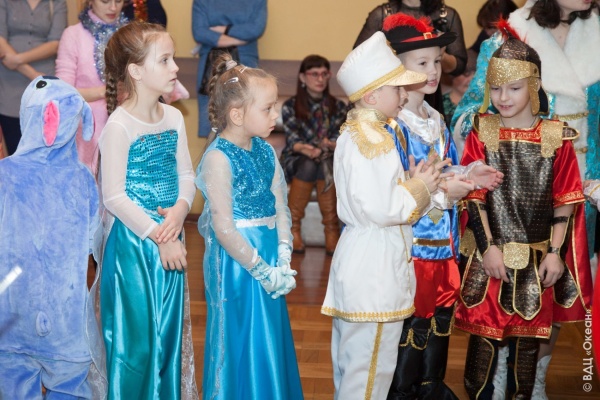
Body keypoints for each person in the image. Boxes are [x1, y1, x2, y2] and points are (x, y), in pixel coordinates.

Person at [451, 2, 598, 396]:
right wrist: (487, 249)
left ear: (533, 87)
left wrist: (555, 253)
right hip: (491, 254)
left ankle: (525, 389)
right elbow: (474, 197)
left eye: (514, 88)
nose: (503, 97)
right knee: (482, 342)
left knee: (529, 340)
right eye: (497, 88)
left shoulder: (556, 136)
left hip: (537, 254)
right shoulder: (483, 130)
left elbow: (564, 198)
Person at [382, 14, 503, 399]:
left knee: (440, 318)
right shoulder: (394, 124)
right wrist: (444, 193)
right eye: (422, 63)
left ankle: (430, 385)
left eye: (437, 61)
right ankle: (403, 391)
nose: (434, 70)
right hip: (413, 246)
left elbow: (446, 166)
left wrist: (469, 171)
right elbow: (399, 184)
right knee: (413, 324)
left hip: (444, 245)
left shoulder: (434, 118)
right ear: (397, 67)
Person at [322, 31, 448, 399]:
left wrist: (413, 182)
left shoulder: (361, 132)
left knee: (353, 370)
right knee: (369, 375)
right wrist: (421, 186)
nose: (404, 95)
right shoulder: (374, 139)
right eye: (397, 88)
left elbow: (374, 196)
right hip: (374, 273)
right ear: (372, 95)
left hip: (362, 262)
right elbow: (384, 208)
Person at [99, 21, 197, 399]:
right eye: (165, 59)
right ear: (136, 71)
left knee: (167, 338)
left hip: (171, 239)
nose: (176, 67)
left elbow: (186, 174)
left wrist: (180, 212)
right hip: (135, 249)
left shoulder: (173, 117)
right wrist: (160, 234)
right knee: (136, 345)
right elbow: (113, 197)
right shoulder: (119, 126)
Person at [195, 53, 302, 399]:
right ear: (237, 114)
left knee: (270, 332)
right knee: (242, 336)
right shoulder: (217, 158)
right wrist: (261, 269)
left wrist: (283, 255)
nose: (275, 116)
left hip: (269, 254)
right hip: (239, 265)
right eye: (267, 108)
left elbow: (280, 205)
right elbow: (224, 228)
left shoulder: (266, 150)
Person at [281, 55, 348, 255]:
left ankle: (331, 228)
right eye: (314, 74)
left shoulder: (339, 107)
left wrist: (328, 145)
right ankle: (294, 227)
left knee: (323, 162)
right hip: (297, 159)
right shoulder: (290, 106)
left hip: (327, 157)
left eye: (324, 74)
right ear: (303, 77)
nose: (320, 79)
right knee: (310, 163)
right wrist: (310, 150)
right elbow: (293, 142)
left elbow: (339, 138)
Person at [55, 0, 128, 176]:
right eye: (105, 1)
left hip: (126, 125)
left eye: (118, 1)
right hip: (87, 129)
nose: (113, 7)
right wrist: (105, 91)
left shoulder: (132, 35)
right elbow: (62, 92)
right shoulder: (73, 35)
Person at [0, 0, 67, 155]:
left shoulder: (57, 2)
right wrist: (32, 74)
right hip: (9, 87)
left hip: (44, 88)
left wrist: (17, 60)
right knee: (16, 151)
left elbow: (55, 44)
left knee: (44, 151)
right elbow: (0, 39)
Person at [192, 0, 267, 138]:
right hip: (211, 65)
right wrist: (238, 40)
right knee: (213, 125)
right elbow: (199, 32)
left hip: (246, 63)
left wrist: (223, 29)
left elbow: (256, 28)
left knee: (248, 118)